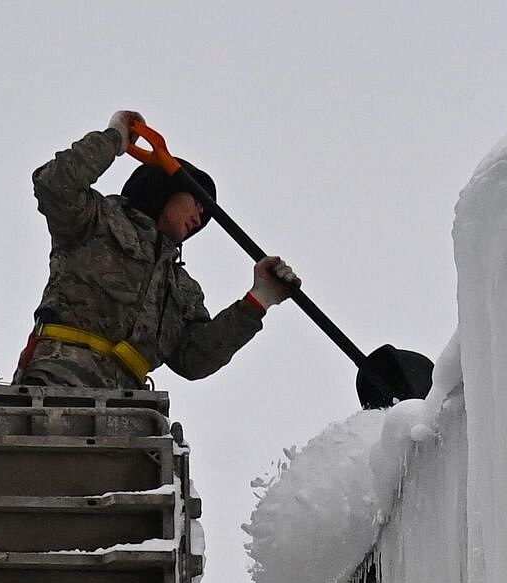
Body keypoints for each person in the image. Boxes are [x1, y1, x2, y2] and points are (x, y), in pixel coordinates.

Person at [16, 109, 299, 390]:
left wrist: (259, 299)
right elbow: (55, 185)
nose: (200, 218)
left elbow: (194, 359)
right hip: (58, 383)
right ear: (167, 188)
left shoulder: (180, 287)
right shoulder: (97, 220)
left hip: (128, 411)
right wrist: (116, 139)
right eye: (197, 203)